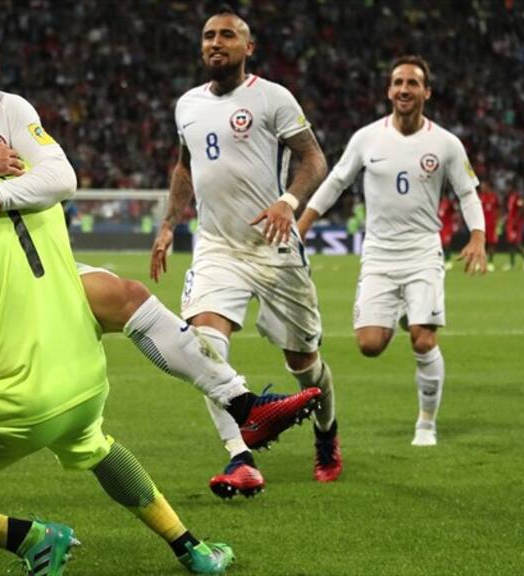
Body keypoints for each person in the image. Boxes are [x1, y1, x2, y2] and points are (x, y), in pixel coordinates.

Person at [0, 4, 319, 520]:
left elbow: (61, 179)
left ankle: (243, 405)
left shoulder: (12, 109)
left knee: (126, 294)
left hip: (29, 264)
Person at [0, 78, 234, 574]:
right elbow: (59, 177)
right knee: (96, 446)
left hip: (13, 403)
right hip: (84, 385)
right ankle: (193, 549)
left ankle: (28, 537)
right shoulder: (32, 180)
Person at [150, 6, 340, 496]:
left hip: (274, 248)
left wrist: (288, 201)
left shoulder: (272, 97)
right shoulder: (187, 105)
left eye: (228, 35)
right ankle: (241, 456)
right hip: (218, 247)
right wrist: (170, 222)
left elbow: (313, 157)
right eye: (209, 35)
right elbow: (184, 168)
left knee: (306, 365)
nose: (216, 42)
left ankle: (326, 434)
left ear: (247, 48)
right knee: (205, 346)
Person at [297, 55, 487, 447]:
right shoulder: (367, 138)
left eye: (412, 83)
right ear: (389, 90)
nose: (404, 89)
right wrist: (302, 223)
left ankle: (426, 424)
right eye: (398, 82)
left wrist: (479, 236)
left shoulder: (446, 143)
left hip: (422, 252)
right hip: (379, 255)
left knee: (423, 340)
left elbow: (467, 192)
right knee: (369, 346)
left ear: (426, 92)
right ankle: (406, 313)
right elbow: (336, 182)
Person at [503, 188, 524, 271]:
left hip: (516, 224)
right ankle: (512, 264)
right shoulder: (510, 198)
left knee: (515, 242)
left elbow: (522, 208)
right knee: (511, 243)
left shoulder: (517, 197)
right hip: (511, 223)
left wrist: (516, 220)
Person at [478, 181, 500, 271]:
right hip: (482, 225)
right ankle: (481, 262)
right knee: (482, 243)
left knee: (491, 243)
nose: (482, 189)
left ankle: (490, 263)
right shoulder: (480, 197)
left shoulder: (493, 197)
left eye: (483, 187)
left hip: (491, 224)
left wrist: (497, 220)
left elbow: (498, 208)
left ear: (487, 187)